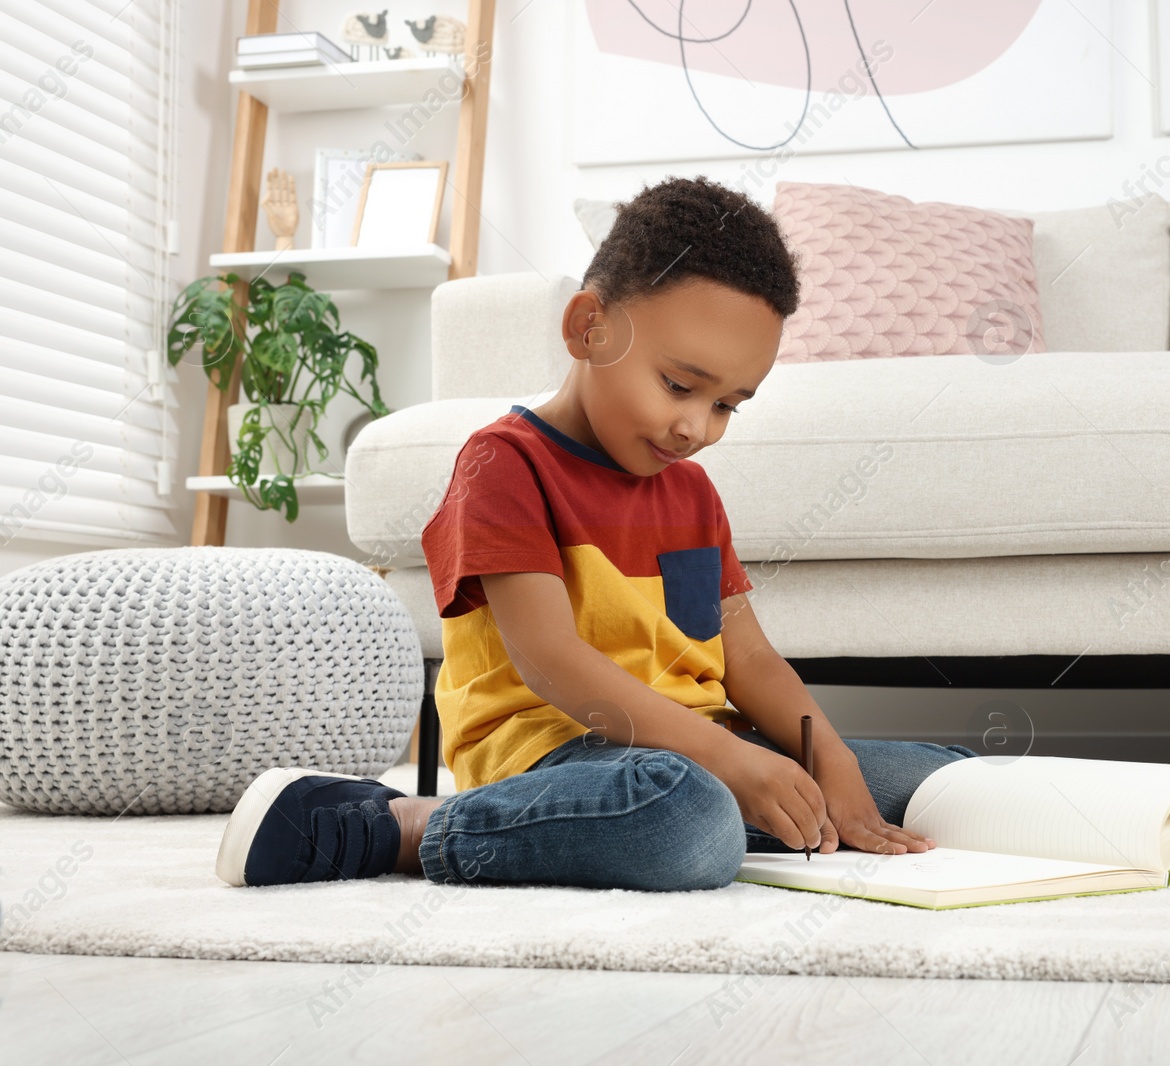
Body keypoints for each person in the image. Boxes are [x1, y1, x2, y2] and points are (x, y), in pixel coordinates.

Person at [214, 175, 979, 890]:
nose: (695, 427)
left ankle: (759, 815)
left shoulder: (692, 491)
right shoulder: (503, 464)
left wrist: (831, 757)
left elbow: (745, 656)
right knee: (686, 820)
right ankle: (416, 827)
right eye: (680, 385)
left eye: (727, 406)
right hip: (557, 753)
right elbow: (551, 662)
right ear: (589, 327)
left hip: (695, 747)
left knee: (944, 784)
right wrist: (723, 758)